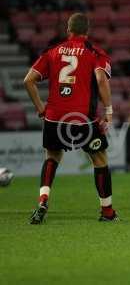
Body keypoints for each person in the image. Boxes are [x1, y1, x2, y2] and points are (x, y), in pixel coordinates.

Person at [23, 13, 118, 224]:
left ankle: (43, 200)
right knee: (99, 159)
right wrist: (109, 111)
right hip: (83, 118)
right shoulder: (94, 53)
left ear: (68, 30)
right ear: (88, 31)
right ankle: (107, 212)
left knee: (52, 157)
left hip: (54, 117)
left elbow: (28, 80)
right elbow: (101, 79)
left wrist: (40, 108)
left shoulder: (52, 52)